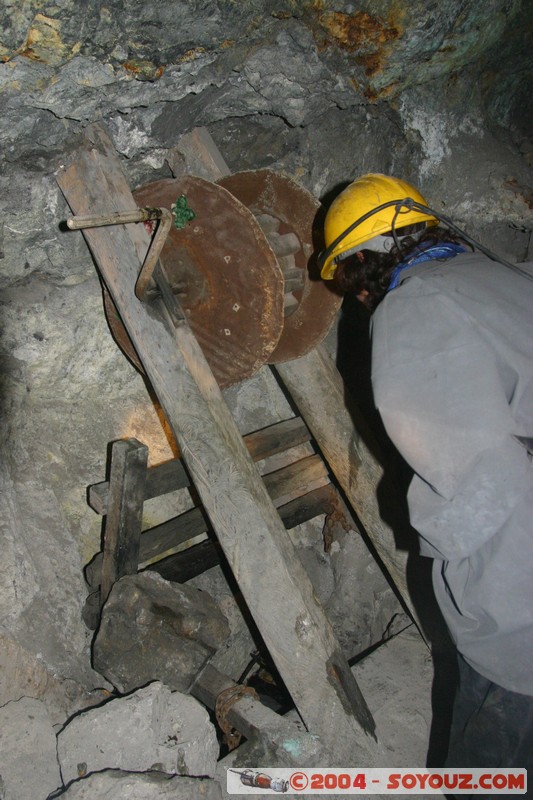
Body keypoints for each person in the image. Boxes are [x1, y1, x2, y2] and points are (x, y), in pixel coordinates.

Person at [319, 173, 533, 781]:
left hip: (524, 583)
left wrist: (435, 542)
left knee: (495, 766)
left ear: (362, 259)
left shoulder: (416, 307)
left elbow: (472, 477)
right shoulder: (508, 273)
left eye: (348, 279)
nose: (356, 295)